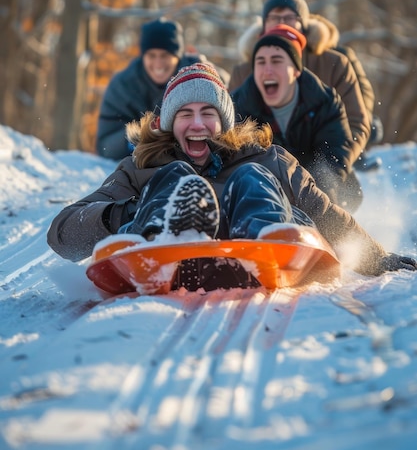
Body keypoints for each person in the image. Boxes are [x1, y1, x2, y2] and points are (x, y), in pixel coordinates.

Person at [47, 63, 417, 293]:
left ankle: (266, 230)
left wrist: (376, 258)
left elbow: (324, 213)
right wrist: (125, 214)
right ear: (168, 123)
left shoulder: (266, 158)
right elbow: (62, 234)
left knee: (251, 177)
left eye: (208, 112)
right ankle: (165, 229)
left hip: (268, 247)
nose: (197, 124)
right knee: (174, 178)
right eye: (185, 114)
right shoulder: (144, 166)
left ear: (224, 122)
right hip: (163, 245)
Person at [229, 0, 380, 168]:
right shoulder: (244, 71)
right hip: (266, 168)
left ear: (304, 26)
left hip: (323, 159)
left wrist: (341, 156)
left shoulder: (333, 63)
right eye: (274, 18)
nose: (281, 23)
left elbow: (356, 120)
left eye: (289, 17)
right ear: (263, 26)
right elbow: (232, 124)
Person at [231, 24, 362, 212]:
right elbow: (236, 162)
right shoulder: (239, 105)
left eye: (276, 61)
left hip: (317, 184)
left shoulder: (324, 102)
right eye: (260, 62)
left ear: (296, 70)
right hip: (265, 186)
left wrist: (314, 204)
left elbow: (332, 158)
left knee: (337, 187)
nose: (267, 70)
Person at [96, 17, 229, 160]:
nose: (158, 64)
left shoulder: (204, 77)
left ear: (177, 56)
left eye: (165, 56)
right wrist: (144, 135)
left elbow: (232, 121)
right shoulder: (122, 86)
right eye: (151, 56)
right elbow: (106, 146)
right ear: (143, 57)